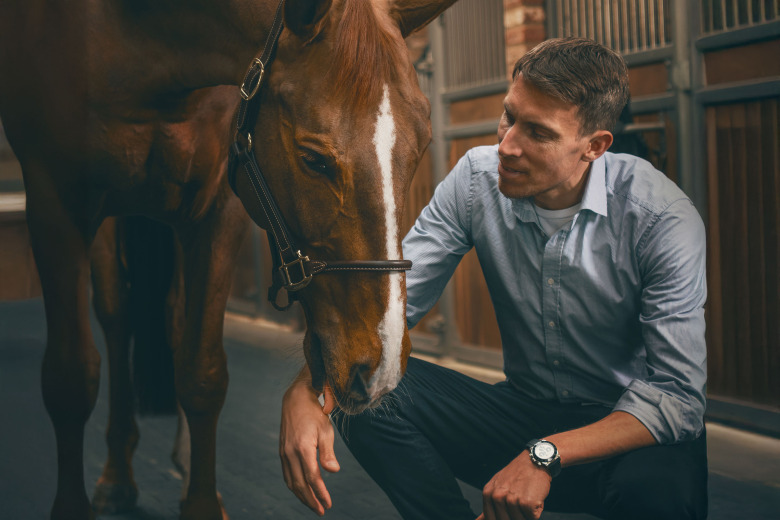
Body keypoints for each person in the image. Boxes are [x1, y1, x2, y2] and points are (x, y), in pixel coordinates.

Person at [279, 37, 708, 520]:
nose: (506, 146)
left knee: (659, 495)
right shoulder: (474, 180)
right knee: (367, 390)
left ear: (594, 146)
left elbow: (678, 396)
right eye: (510, 116)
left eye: (538, 133)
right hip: (523, 411)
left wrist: (543, 454)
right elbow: (394, 303)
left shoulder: (661, 217)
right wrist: (309, 389)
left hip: (627, 431)